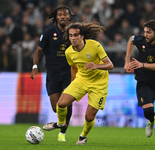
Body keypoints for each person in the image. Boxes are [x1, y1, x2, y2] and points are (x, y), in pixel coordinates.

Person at [48, 22, 114, 145]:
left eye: (76, 35)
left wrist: (97, 66)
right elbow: (73, 67)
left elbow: (110, 65)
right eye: (71, 35)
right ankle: (61, 123)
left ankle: (83, 136)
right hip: (81, 80)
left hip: (99, 84)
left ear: (82, 36)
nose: (73, 38)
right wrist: (72, 84)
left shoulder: (95, 45)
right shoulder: (68, 52)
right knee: (61, 104)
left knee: (89, 117)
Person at [30, 6, 74, 142]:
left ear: (69, 17)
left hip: (69, 73)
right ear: (55, 17)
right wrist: (35, 66)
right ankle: (60, 123)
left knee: (66, 103)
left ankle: (62, 132)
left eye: (64, 14)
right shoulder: (49, 32)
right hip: (53, 74)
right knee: (56, 108)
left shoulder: (74, 32)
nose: (62, 17)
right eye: (59, 14)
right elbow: (38, 51)